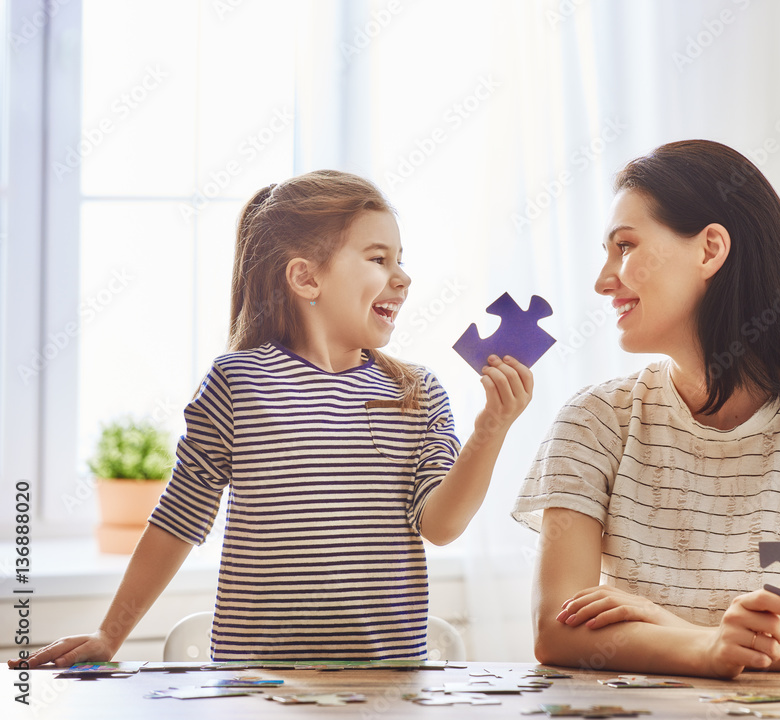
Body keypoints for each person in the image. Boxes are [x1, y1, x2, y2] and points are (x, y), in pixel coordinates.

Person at [13, 170, 532, 666]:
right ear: (306, 277)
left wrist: (493, 426)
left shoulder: (417, 393)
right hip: (255, 680)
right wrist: (110, 633)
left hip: (387, 678)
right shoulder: (238, 383)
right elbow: (177, 521)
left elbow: (441, 525)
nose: (403, 277)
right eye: (379, 259)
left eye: (400, 259)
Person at [512, 140, 780, 679]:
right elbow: (555, 628)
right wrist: (707, 651)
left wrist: (701, 640)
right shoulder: (596, 420)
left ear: (710, 249)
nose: (603, 280)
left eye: (624, 246)